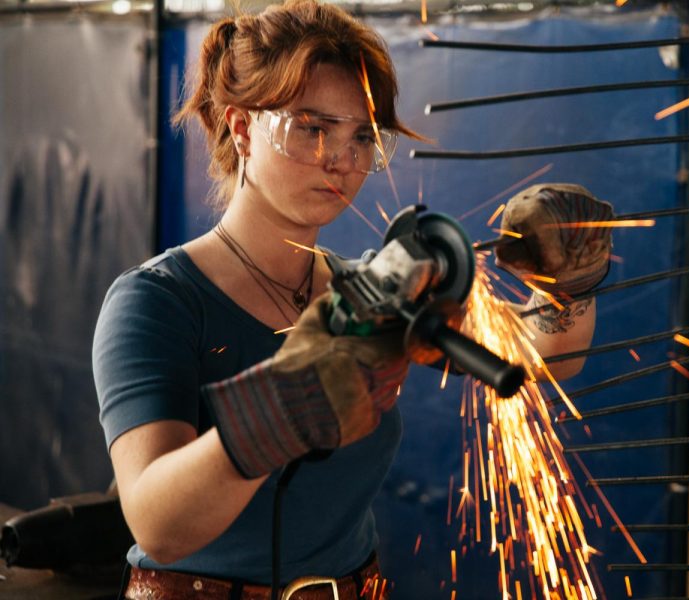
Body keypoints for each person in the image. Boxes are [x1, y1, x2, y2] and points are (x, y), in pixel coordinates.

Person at [91, 2, 613, 598]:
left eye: (361, 136)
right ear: (241, 129)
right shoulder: (157, 301)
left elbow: (547, 355)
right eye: (311, 128)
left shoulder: (367, 293)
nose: (340, 158)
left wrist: (570, 280)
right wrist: (286, 404)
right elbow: (158, 523)